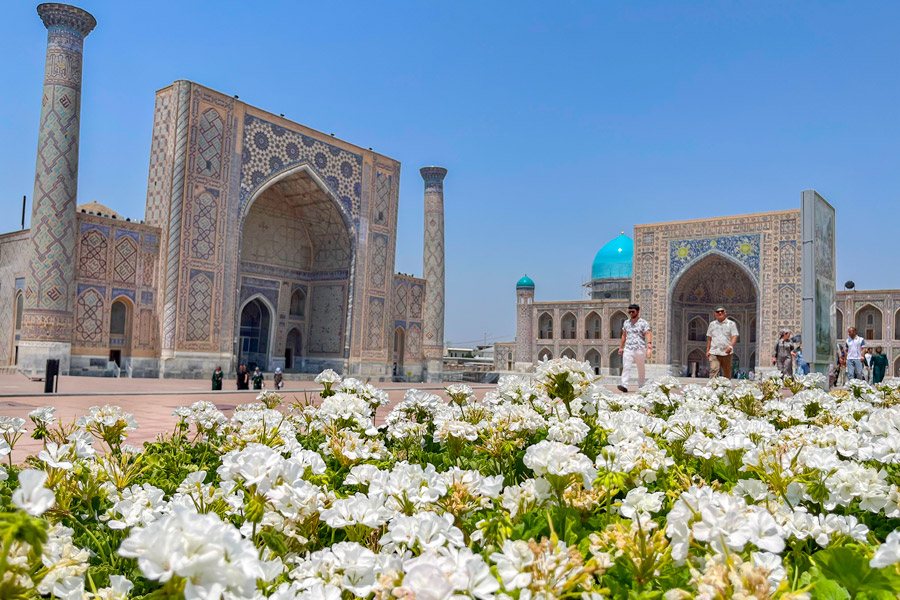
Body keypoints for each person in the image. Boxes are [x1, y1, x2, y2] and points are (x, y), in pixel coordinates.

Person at [616, 304, 652, 393]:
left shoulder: (643, 322)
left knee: (640, 368)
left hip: (640, 348)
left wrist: (649, 344)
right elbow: (624, 336)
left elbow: (648, 333)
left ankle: (641, 385)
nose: (631, 313)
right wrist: (621, 347)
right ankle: (624, 385)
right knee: (626, 367)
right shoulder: (626, 323)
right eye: (629, 312)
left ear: (638, 312)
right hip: (628, 348)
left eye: (633, 312)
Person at [706, 305, 738, 379]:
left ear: (725, 313)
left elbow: (734, 336)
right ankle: (712, 387)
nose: (720, 313)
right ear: (715, 314)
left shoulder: (731, 324)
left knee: (727, 372)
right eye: (718, 312)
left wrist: (730, 346)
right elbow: (710, 338)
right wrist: (708, 350)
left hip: (726, 352)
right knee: (714, 369)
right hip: (714, 351)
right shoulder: (712, 324)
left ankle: (726, 388)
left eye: (722, 311)